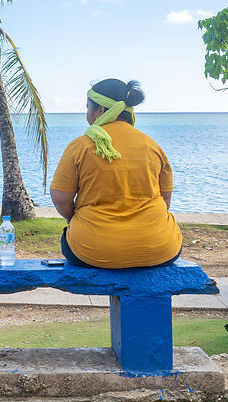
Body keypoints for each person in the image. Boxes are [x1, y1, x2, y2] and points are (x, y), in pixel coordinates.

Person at [49, 78, 182, 269]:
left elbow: (60, 199)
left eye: (88, 108)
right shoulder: (153, 146)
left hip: (92, 250)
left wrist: (75, 219)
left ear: (101, 110)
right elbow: (165, 200)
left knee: (69, 236)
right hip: (160, 249)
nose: (87, 114)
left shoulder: (80, 146)